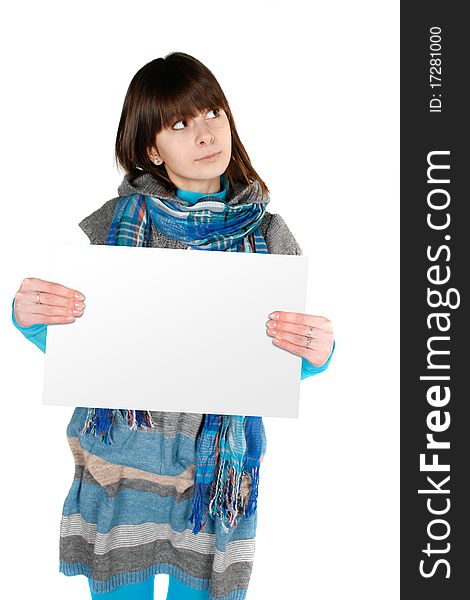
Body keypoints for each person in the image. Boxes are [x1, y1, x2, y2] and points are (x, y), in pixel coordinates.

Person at [12, 52, 335, 600]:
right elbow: (85, 341)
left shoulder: (271, 236)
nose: (206, 133)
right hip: (122, 462)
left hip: (214, 478)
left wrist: (317, 352)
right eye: (180, 123)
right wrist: (30, 319)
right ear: (149, 148)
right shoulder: (116, 227)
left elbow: (278, 363)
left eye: (212, 112)